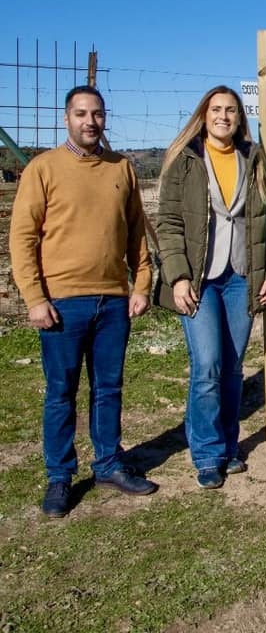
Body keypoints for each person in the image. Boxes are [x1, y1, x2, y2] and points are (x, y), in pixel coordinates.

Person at [10, 86, 158, 518]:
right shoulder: (43, 169)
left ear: (104, 118)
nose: (89, 121)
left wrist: (142, 284)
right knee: (61, 394)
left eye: (96, 114)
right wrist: (35, 298)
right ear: (66, 118)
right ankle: (59, 477)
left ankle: (109, 463)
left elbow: (136, 235)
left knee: (109, 390)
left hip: (113, 302)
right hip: (61, 304)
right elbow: (22, 239)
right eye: (81, 113)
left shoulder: (122, 168)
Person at [156, 86, 266, 490]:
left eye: (230, 110)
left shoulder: (256, 159)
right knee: (208, 365)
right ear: (204, 114)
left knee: (231, 367)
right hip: (198, 279)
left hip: (242, 278)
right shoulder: (186, 162)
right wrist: (177, 276)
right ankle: (208, 453)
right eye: (216, 109)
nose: (223, 116)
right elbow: (169, 225)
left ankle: (229, 446)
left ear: (239, 117)